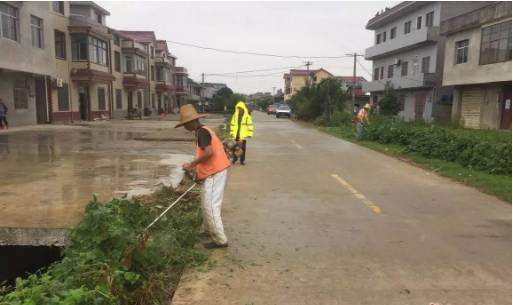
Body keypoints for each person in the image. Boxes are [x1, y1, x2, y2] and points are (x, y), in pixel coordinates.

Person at [176, 104, 231, 249]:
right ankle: (208, 231)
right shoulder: (203, 130)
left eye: (185, 124)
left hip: (215, 172)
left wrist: (191, 165)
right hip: (214, 171)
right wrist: (197, 171)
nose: (184, 127)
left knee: (211, 205)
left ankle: (220, 240)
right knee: (205, 202)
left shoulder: (202, 132)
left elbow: (208, 153)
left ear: (192, 122)